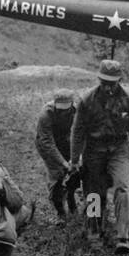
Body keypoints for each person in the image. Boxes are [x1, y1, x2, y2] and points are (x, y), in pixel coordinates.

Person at [69, 59, 129, 255]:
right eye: (104, 82)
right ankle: (94, 230)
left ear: (119, 80)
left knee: (122, 187)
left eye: (112, 82)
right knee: (94, 193)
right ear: (99, 79)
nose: (108, 86)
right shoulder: (87, 100)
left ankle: (123, 236)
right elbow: (78, 131)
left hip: (119, 148)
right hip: (93, 150)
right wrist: (74, 158)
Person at [35, 90, 81, 223]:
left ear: (72, 104)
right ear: (55, 105)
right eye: (60, 110)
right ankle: (60, 211)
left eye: (66, 110)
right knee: (57, 175)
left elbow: (81, 134)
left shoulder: (77, 111)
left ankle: (71, 200)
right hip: (47, 144)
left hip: (66, 141)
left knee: (74, 173)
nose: (63, 113)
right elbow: (47, 142)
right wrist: (63, 162)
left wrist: (77, 157)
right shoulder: (46, 114)